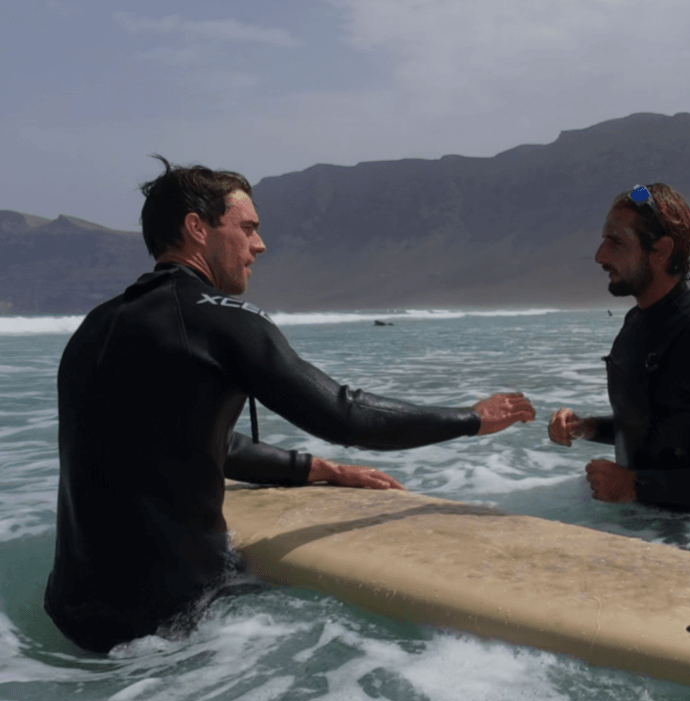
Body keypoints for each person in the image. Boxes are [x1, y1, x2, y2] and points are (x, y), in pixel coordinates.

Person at [46, 157, 535, 653]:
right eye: (248, 228)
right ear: (197, 229)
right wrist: (472, 419)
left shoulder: (93, 328)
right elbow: (344, 412)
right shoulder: (222, 319)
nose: (259, 245)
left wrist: (316, 469)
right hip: (173, 623)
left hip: (72, 619)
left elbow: (188, 435)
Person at [548, 183, 690, 513]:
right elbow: (656, 429)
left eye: (615, 242)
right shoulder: (635, 324)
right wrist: (585, 427)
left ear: (662, 249)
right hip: (638, 527)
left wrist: (635, 486)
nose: (600, 255)